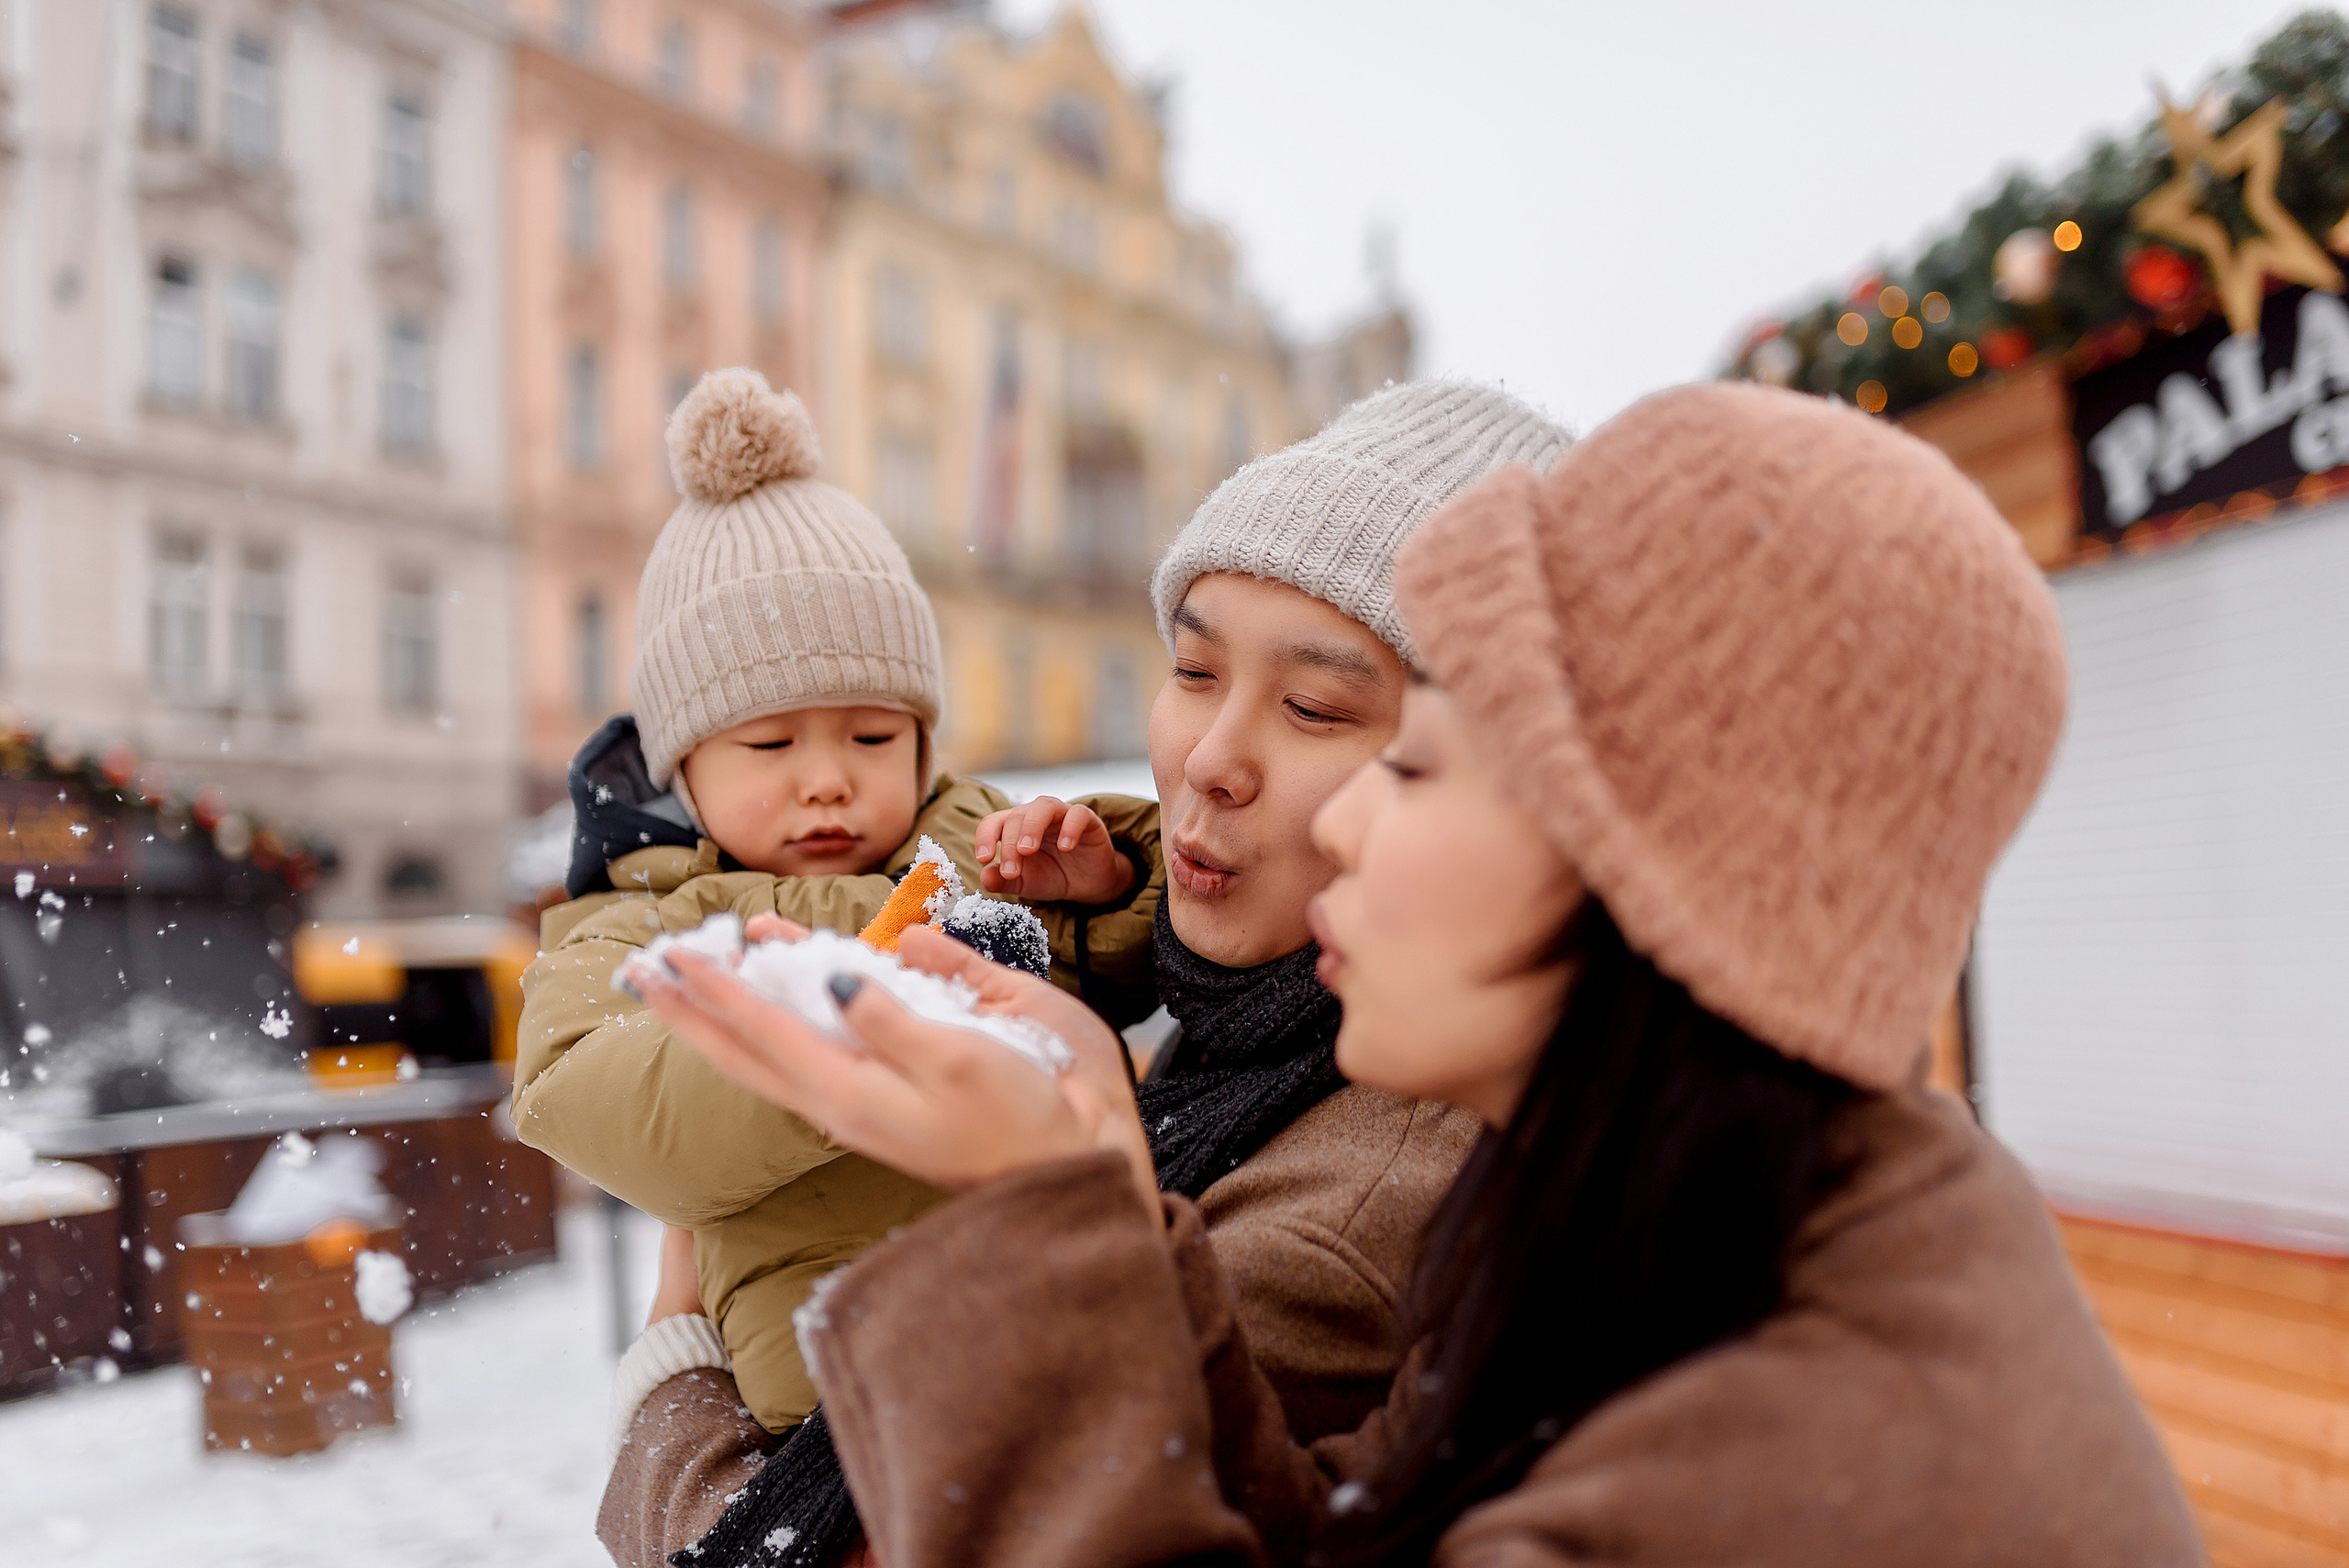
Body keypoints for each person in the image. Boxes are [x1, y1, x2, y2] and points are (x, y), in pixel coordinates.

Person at [625, 383, 2208, 1566]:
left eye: (1412, 756)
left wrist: (1040, 1237)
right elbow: (1341, 1533)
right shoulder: (1648, 1219)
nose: (1335, 812)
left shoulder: (1783, 1469)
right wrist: (1090, 1183)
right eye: (1188, 667)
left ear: (1650, 863)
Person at [598, 381, 1574, 1568]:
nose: (1210, 760)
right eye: (1194, 669)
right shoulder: (1245, 1040)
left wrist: (678, 1360)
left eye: (1316, 707)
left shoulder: (1365, 1188)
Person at [512, 368, 1054, 1438]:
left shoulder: (978, 849)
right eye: (769, 742)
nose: (827, 778)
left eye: (871, 736)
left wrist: (1103, 876)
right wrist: (827, 1028)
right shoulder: (644, 915)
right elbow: (574, 1090)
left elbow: (1144, 958)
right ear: (684, 769)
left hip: (1056, 1322)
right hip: (834, 1398)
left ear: (924, 745)